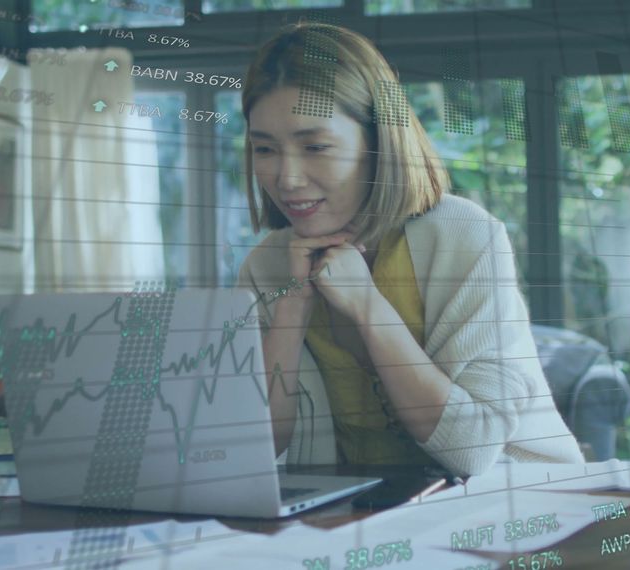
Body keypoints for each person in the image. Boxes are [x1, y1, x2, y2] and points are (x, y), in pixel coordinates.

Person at [237, 21, 584, 478]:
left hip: (515, 503)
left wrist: (366, 305)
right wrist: (291, 308)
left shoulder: (465, 236)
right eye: (265, 150)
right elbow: (249, 449)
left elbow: (471, 450)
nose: (287, 179)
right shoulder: (266, 265)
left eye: (316, 146)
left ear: (378, 142)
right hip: (365, 519)